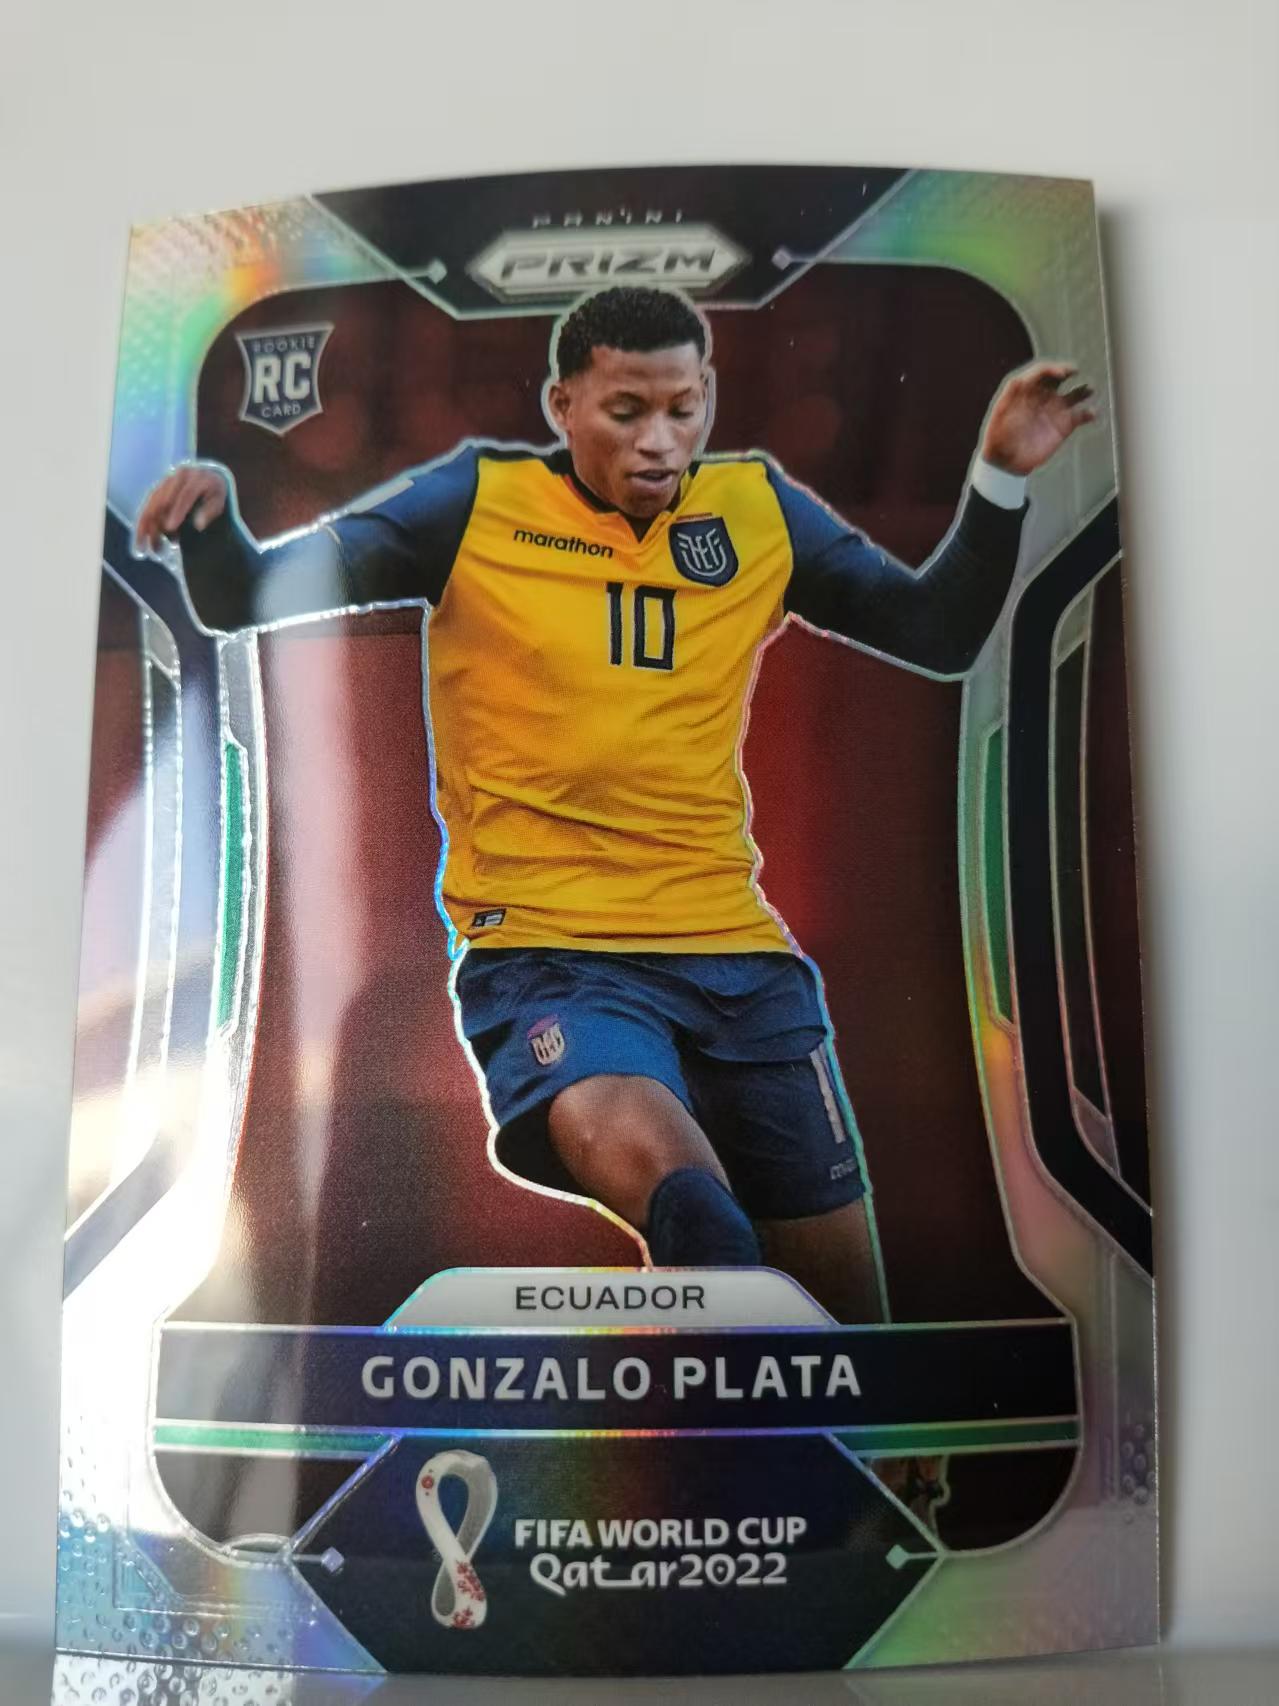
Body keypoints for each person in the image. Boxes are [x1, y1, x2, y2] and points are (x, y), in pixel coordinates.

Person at [136, 285, 1093, 1329]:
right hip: (556, 959)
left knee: (852, 1345)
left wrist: (1000, 475)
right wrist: (212, 528)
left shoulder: (757, 510)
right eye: (626, 410)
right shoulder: (472, 504)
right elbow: (248, 593)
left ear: (708, 394)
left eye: (683, 408)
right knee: (703, 1226)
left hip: (740, 964)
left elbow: (938, 632)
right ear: (562, 405)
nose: (660, 440)